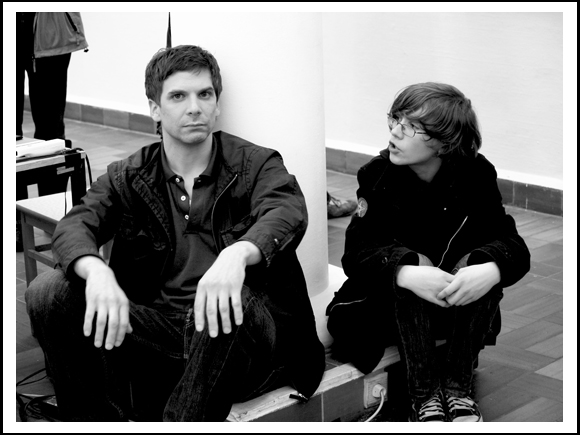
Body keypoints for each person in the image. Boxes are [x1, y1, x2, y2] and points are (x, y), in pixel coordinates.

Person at [25, 44, 325, 422]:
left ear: (217, 104)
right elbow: (76, 224)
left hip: (241, 347)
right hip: (161, 332)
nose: (195, 107)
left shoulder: (255, 163)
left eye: (205, 94)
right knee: (47, 291)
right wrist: (95, 270)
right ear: (155, 108)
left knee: (232, 300)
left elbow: (286, 209)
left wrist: (239, 253)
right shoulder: (130, 175)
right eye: (178, 96)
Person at [325, 82, 530, 422]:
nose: (395, 131)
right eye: (395, 119)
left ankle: (458, 389)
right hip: (383, 310)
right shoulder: (377, 175)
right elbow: (356, 253)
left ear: (444, 143)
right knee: (412, 262)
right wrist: (407, 273)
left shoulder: (476, 173)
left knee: (483, 262)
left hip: (448, 306)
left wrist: (490, 270)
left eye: (410, 127)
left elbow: (512, 244)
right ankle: (424, 397)